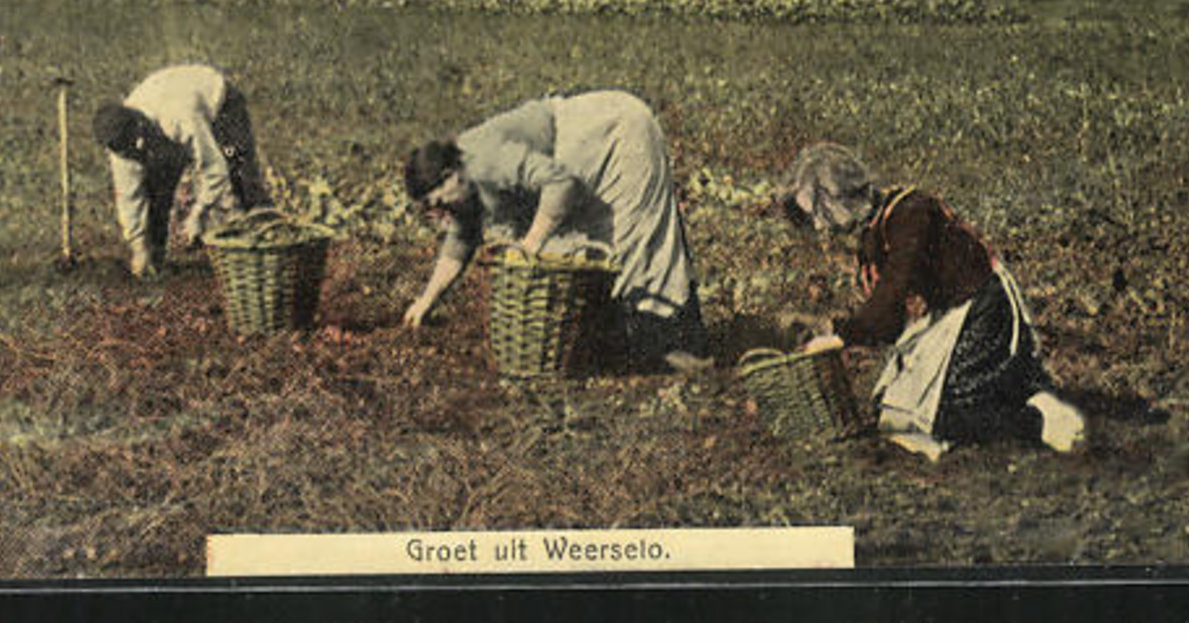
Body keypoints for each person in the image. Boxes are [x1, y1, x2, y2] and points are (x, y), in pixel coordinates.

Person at [776, 142, 1085, 456]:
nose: (818, 224)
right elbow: (890, 320)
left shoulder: (912, 212)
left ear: (838, 197)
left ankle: (1035, 421)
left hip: (980, 305)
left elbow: (895, 287)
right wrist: (838, 331)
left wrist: (842, 336)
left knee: (948, 413)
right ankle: (1022, 392)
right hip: (946, 314)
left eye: (819, 211)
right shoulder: (873, 233)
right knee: (896, 412)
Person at [402, 89, 710, 372]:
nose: (439, 212)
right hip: (576, 153)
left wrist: (532, 243)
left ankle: (678, 344)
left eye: (437, 201)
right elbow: (461, 237)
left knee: (637, 233)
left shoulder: (484, 161)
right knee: (585, 246)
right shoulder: (463, 185)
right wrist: (426, 301)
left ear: (449, 176)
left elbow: (560, 184)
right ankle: (632, 336)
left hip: (611, 131)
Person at [92, 63, 270, 277]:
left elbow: (215, 169)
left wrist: (199, 213)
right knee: (158, 192)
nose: (139, 148)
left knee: (240, 177)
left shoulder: (179, 117)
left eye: (140, 141)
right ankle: (153, 264)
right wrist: (138, 246)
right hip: (169, 111)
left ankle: (270, 246)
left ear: (141, 123)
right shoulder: (119, 141)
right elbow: (129, 197)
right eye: (133, 149)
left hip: (219, 103)